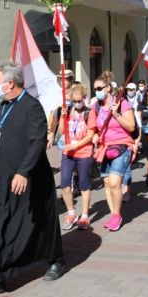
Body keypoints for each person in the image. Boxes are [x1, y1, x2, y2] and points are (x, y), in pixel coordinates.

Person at [0, 61, 64, 297]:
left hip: (28, 178)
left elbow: (37, 143)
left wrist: (23, 172)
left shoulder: (31, 107)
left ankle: (55, 258)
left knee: (40, 223)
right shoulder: (3, 106)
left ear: (10, 83)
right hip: (3, 177)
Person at [91, 73, 136, 232]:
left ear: (108, 88)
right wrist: (95, 135)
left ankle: (117, 215)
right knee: (107, 183)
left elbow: (131, 127)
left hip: (122, 146)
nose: (97, 91)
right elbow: (94, 128)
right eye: (95, 89)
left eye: (99, 88)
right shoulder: (96, 106)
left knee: (116, 182)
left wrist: (116, 113)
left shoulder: (122, 103)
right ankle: (113, 214)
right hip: (105, 147)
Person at [59, 84, 95, 230]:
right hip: (68, 153)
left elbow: (90, 135)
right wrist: (63, 118)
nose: (76, 103)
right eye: (74, 101)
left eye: (79, 100)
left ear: (84, 98)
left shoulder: (89, 112)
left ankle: (85, 215)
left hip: (84, 153)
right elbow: (61, 131)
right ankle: (71, 212)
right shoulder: (67, 110)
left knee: (84, 185)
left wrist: (75, 145)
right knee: (65, 184)